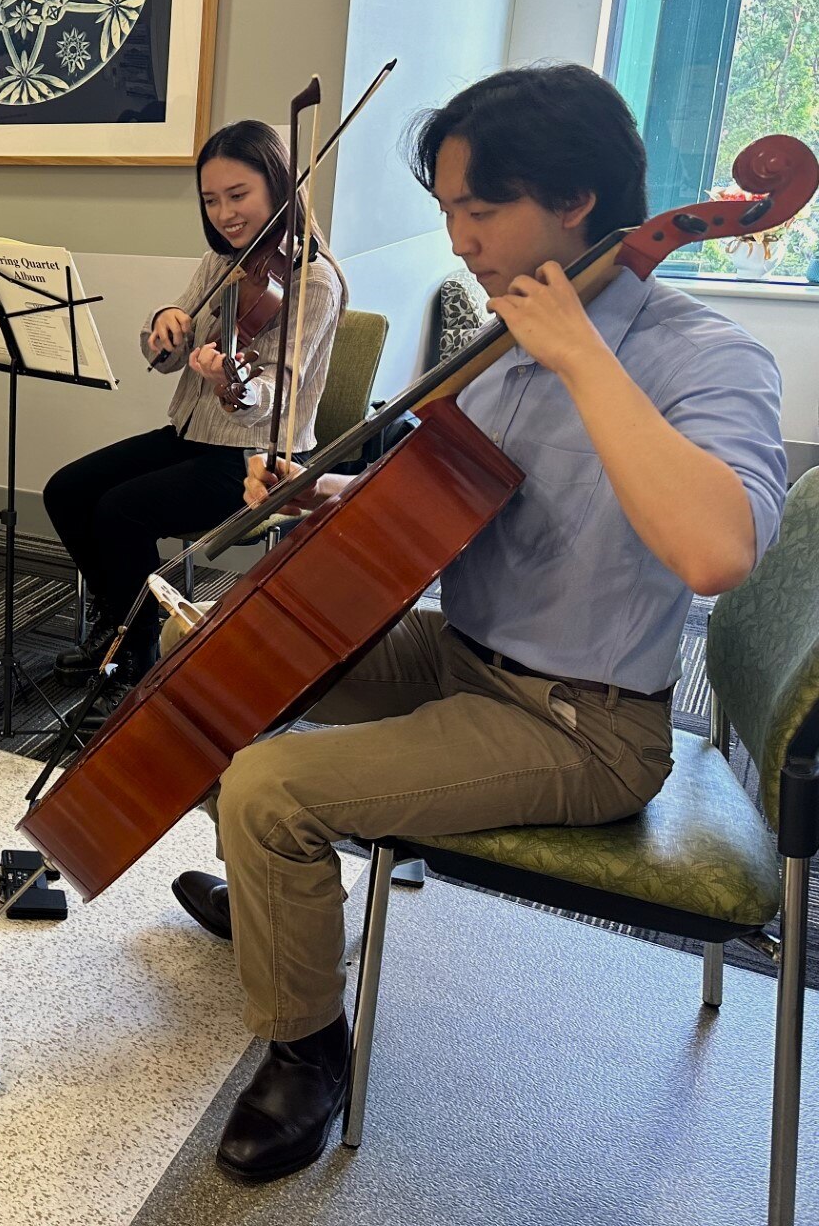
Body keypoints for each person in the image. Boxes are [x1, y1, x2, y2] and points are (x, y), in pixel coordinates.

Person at [173, 63, 786, 1182]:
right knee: (210, 645)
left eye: (478, 208)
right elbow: (452, 492)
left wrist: (582, 355)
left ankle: (309, 1050)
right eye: (449, 210)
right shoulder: (504, 343)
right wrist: (332, 496)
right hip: (462, 655)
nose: (458, 239)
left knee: (270, 781)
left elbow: (718, 549)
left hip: (578, 721)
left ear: (576, 202)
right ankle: (274, 895)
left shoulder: (708, 357)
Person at [43, 120, 345, 687]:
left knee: (119, 511)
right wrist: (165, 330)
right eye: (211, 200)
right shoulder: (224, 260)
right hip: (188, 436)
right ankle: (123, 619)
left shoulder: (314, 282)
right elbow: (165, 350)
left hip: (258, 460)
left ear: (278, 188)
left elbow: (278, 395)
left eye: (238, 196)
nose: (224, 213)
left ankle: (137, 654)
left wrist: (233, 384)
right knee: (67, 489)